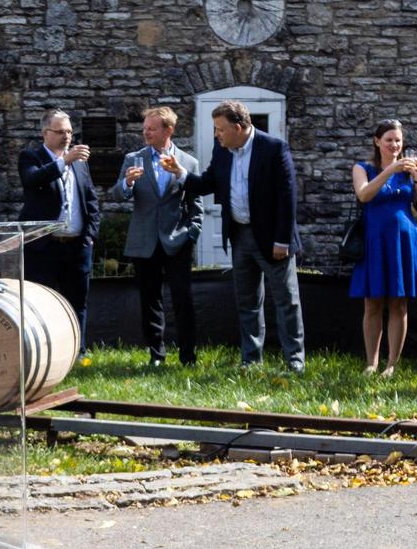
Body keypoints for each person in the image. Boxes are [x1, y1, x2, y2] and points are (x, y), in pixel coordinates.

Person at [161, 100, 306, 374]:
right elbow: (207, 183)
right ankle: (251, 360)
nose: (217, 135)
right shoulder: (223, 150)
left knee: (286, 301)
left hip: (273, 241)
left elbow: (288, 198)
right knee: (247, 303)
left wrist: (282, 241)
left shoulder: (274, 149)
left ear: (238, 128)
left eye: (220, 130)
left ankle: (294, 361)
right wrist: (180, 173)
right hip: (240, 236)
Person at [109, 107, 203, 367]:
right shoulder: (133, 159)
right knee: (150, 300)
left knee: (183, 299)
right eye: (144, 128)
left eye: (151, 128)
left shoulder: (189, 162)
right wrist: (127, 183)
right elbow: (116, 195)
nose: (145, 133)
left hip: (177, 242)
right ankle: (156, 354)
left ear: (168, 130)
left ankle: (188, 356)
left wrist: (191, 234)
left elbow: (197, 206)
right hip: (145, 242)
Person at [348, 119, 417, 377]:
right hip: (375, 240)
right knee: (372, 303)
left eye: (398, 141)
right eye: (389, 140)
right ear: (377, 141)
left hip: (404, 240)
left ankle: (392, 365)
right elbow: (364, 194)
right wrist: (390, 170)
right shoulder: (363, 168)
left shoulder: (408, 171)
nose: (395, 145)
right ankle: (371, 363)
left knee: (399, 303)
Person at [18, 109, 101, 358]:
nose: (66, 137)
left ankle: (78, 352)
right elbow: (32, 181)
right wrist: (63, 161)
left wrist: (90, 236)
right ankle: (43, 353)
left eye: (69, 132)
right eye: (60, 131)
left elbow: (91, 200)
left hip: (77, 245)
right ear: (45, 133)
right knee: (41, 301)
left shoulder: (79, 163)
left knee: (78, 302)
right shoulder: (31, 157)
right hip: (44, 247)